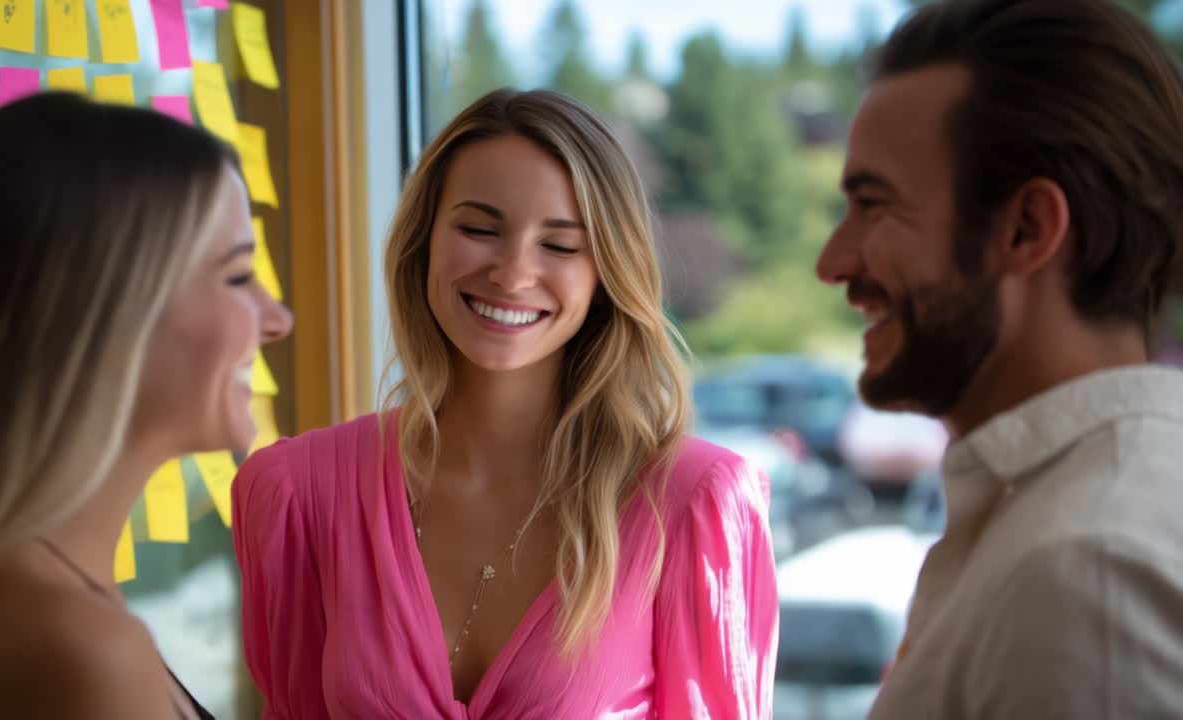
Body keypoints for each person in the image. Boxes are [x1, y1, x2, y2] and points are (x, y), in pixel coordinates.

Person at [232, 88, 779, 719]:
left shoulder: (694, 502)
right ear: (424, 243)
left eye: (561, 245)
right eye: (478, 229)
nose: (513, 273)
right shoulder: (298, 492)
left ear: (606, 274)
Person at [816, 0, 1183, 716]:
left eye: (874, 205)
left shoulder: (1084, 573)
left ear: (1027, 228)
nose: (833, 262)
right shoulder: (1068, 518)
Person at [0, 92, 293, 718]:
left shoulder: (14, 594)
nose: (277, 320)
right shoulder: (80, 654)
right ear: (102, 314)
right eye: (237, 276)